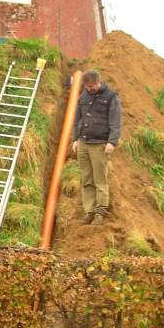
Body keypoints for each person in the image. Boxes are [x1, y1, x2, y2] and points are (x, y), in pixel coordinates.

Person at [70, 68, 122, 225]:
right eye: (86, 86)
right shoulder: (83, 96)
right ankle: (89, 211)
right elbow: (77, 119)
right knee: (86, 179)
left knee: (100, 179)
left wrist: (112, 142)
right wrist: (75, 139)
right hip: (83, 143)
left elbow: (116, 121)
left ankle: (100, 211)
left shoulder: (111, 97)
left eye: (92, 86)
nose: (89, 89)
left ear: (99, 82)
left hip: (100, 145)